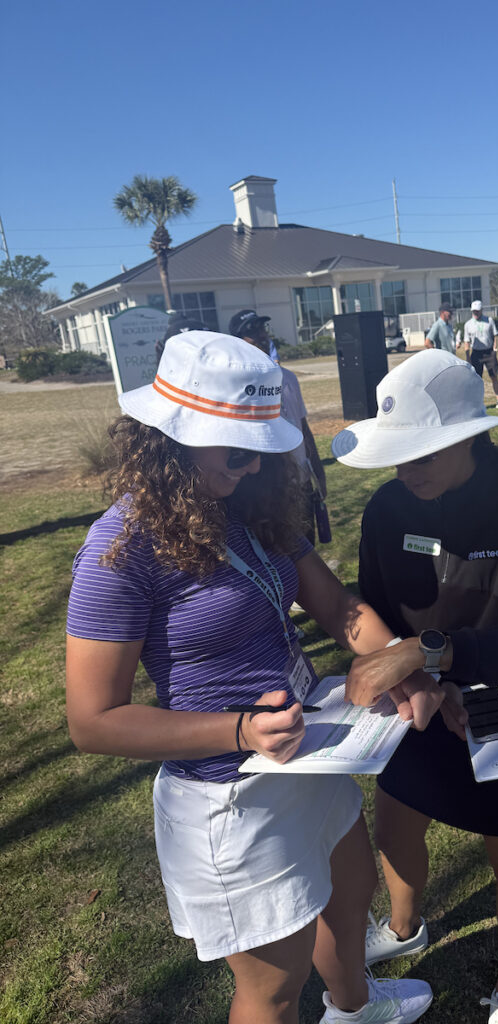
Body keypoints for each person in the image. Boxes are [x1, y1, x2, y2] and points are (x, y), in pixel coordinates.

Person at [65, 331, 436, 1024]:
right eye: (236, 451)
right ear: (170, 441)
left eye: (260, 450)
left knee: (349, 892)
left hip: (309, 752)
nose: (252, 466)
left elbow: (338, 607)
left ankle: (354, 1009)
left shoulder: (252, 508)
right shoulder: (120, 552)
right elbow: (93, 721)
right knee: (273, 987)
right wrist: (241, 730)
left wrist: (397, 660)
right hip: (231, 797)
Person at [332, 349, 498, 1024]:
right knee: (395, 826)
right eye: (398, 455)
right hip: (415, 704)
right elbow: (375, 612)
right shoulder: (387, 509)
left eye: (422, 454)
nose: (405, 470)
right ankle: (405, 926)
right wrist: (417, 675)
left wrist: (437, 654)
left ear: (469, 438)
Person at [229, 309, 327, 543]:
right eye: (252, 332)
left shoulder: (289, 378)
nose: (261, 336)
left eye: (262, 329)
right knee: (278, 550)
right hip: (267, 487)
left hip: (301, 482)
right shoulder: (236, 386)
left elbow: (303, 428)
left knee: (307, 546)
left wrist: (318, 472)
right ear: (238, 341)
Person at [463, 300, 498, 409]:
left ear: (481, 310)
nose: (476, 313)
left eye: (477, 311)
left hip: (489, 352)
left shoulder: (489, 320)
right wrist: (467, 357)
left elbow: (495, 335)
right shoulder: (468, 324)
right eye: (474, 311)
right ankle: (477, 403)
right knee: (476, 379)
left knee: (494, 376)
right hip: (476, 353)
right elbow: (466, 341)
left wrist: (495, 350)